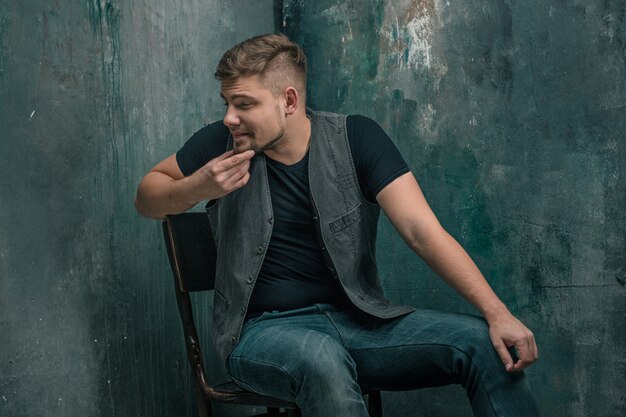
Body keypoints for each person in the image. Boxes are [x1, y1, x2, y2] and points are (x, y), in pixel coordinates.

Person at [134, 33, 539, 416]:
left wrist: (497, 312)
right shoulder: (219, 143)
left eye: (243, 104)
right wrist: (195, 187)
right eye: (226, 103)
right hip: (260, 335)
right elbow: (147, 196)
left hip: (359, 323)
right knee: (322, 359)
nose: (229, 118)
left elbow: (421, 231)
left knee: (480, 344)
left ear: (288, 100)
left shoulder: (356, 138)